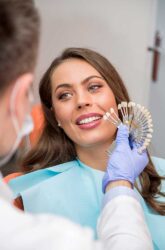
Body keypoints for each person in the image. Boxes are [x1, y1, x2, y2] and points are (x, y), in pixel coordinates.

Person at [0, 0, 153, 249]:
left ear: (117, 97)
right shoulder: (31, 195)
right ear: (55, 117)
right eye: (64, 95)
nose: (82, 101)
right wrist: (119, 184)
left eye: (94, 87)